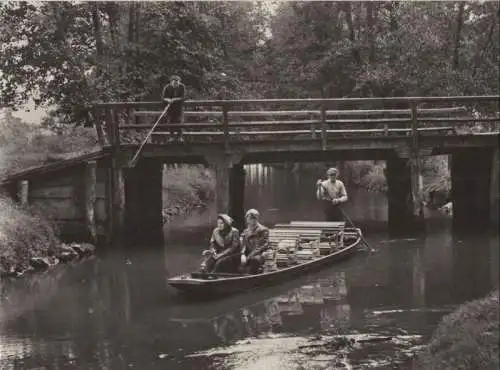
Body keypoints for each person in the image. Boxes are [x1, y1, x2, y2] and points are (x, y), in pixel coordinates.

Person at [240, 209, 270, 274]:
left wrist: (248, 257)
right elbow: (243, 244)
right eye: (247, 218)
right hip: (247, 254)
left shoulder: (263, 230)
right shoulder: (246, 230)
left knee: (254, 260)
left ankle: (249, 277)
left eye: (250, 219)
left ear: (255, 219)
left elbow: (261, 246)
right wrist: (242, 254)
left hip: (259, 255)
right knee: (231, 259)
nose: (248, 221)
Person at [158, 75, 186, 142]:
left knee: (179, 121)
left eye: (177, 83)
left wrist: (175, 99)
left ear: (179, 82)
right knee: (170, 122)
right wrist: (168, 100)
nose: (176, 84)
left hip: (178, 107)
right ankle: (171, 137)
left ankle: (180, 137)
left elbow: (183, 97)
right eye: (174, 83)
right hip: (170, 108)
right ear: (171, 82)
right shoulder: (167, 87)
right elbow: (163, 98)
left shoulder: (182, 87)